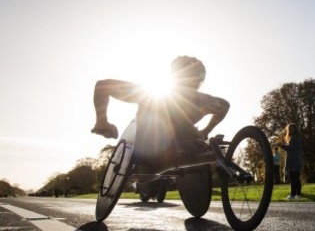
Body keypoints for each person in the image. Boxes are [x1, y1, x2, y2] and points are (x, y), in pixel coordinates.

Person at [91, 56, 230, 168]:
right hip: (164, 151)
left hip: (151, 153)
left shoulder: (150, 93)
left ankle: (190, 147)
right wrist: (206, 131)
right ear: (199, 81)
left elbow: (102, 86)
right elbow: (225, 106)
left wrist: (101, 121)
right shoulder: (204, 101)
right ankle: (198, 147)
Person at [278, 123, 303, 200]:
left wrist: (281, 145)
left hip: (293, 161)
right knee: (296, 178)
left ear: (295, 129)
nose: (291, 130)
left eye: (292, 128)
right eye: (290, 128)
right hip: (297, 160)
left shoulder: (294, 138)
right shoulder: (297, 137)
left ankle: (293, 195)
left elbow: (290, 148)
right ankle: (297, 194)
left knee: (293, 178)